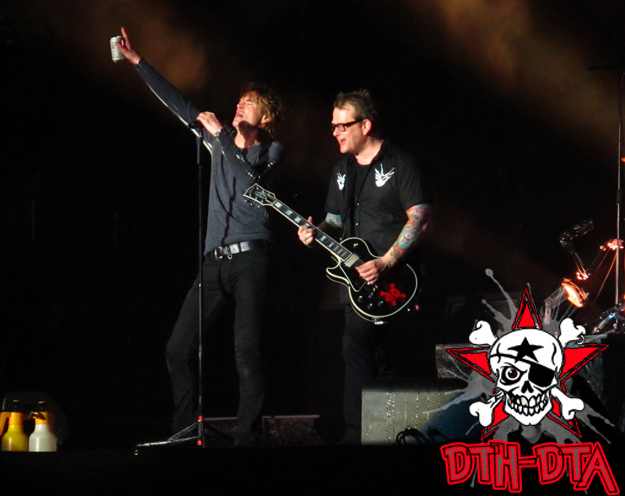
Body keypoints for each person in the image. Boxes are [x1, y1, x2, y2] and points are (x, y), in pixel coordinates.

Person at [117, 27, 284, 447]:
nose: (239, 103)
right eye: (239, 99)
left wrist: (223, 137)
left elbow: (250, 182)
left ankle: (248, 436)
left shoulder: (270, 152)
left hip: (251, 259)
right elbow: (177, 102)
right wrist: (138, 62)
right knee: (177, 347)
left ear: (265, 118)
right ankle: (182, 431)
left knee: (245, 349)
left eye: (250, 102)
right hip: (215, 260)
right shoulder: (218, 141)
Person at [297, 90, 432, 444]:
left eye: (342, 126)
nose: (335, 132)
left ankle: (405, 437)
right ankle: (355, 437)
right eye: (333, 126)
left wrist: (387, 260)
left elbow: (419, 218)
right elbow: (333, 221)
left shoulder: (400, 162)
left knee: (397, 360)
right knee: (355, 351)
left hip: (399, 282)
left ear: (365, 125)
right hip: (357, 287)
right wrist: (314, 232)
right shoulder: (341, 171)